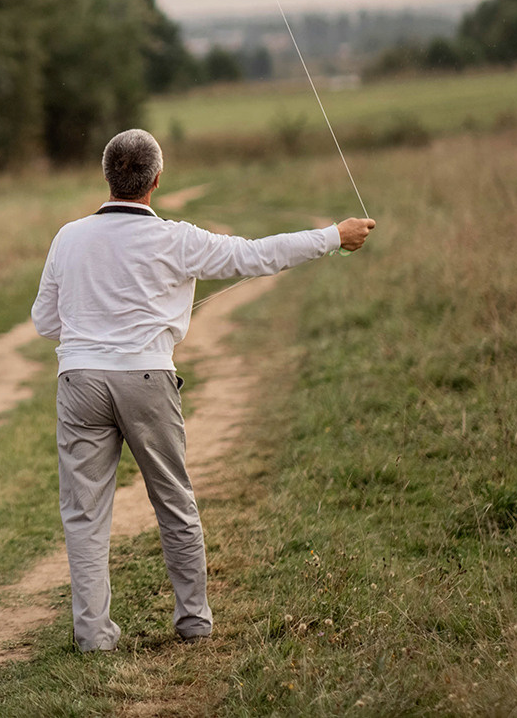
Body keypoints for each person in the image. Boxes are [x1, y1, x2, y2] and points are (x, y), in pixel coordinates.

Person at [32, 128, 376, 653]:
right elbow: (257, 254)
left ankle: (93, 636)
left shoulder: (67, 237)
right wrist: (335, 235)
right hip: (148, 380)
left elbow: (44, 322)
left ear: (107, 176)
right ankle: (193, 623)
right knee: (173, 502)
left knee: (83, 513)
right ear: (157, 179)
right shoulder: (178, 238)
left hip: (78, 381)